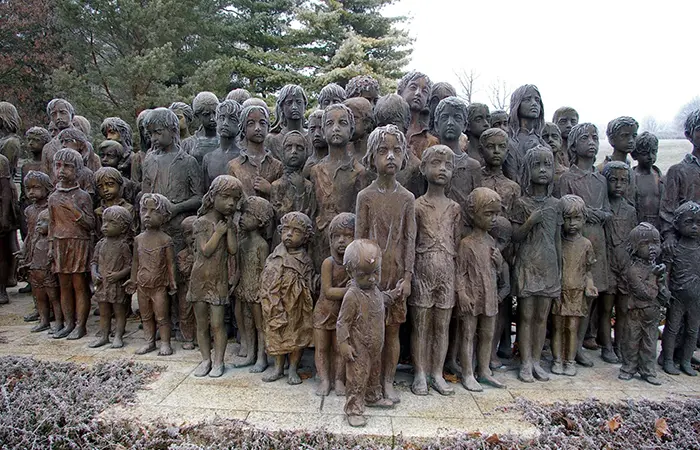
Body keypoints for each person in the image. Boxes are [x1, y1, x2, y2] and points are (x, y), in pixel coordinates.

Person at [355, 124, 416, 403]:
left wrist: (407, 277)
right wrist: (360, 277)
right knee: (371, 333)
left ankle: (388, 381)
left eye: (396, 150)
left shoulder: (407, 198)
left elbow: (409, 239)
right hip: (371, 278)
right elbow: (358, 240)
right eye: (383, 151)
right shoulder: (365, 197)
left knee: (392, 332)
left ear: (403, 156)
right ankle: (370, 382)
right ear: (372, 157)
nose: (390, 156)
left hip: (396, 275)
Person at [557, 123, 611, 368]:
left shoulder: (601, 180)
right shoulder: (567, 178)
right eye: (586, 138)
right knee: (569, 299)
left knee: (588, 298)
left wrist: (600, 214)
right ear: (574, 145)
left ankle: (578, 346)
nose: (592, 142)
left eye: (595, 137)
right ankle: (566, 348)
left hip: (596, 241)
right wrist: (588, 212)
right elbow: (564, 208)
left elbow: (609, 211)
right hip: (572, 242)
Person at [409, 145, 461, 396]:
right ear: (423, 168)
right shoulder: (417, 206)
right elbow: (410, 242)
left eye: (448, 165)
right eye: (436, 163)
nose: (442, 169)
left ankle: (437, 372)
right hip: (422, 269)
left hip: (447, 271)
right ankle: (420, 372)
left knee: (442, 324)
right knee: (421, 324)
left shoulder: (454, 208)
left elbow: (457, 243)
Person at [510, 146, 561, 382]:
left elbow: (558, 240)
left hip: (549, 264)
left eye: (547, 165)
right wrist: (530, 222)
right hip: (528, 262)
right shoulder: (521, 203)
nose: (542, 170)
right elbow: (516, 236)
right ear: (527, 170)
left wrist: (559, 269)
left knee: (542, 316)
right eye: (537, 165)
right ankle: (525, 361)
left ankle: (537, 360)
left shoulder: (556, 204)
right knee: (526, 315)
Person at [337, 239, 399, 427]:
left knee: (374, 373)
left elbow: (383, 300)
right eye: (364, 275)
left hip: (375, 345)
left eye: (375, 273)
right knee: (357, 377)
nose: (372, 278)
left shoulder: (374, 288)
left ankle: (373, 396)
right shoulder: (352, 295)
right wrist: (344, 344)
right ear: (351, 272)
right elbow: (342, 322)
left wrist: (395, 293)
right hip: (359, 347)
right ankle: (353, 408)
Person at [189, 176, 242, 378]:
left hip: (218, 280)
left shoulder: (229, 225)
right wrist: (218, 232)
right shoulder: (202, 223)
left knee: (218, 324)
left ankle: (219, 361)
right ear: (213, 196)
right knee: (202, 324)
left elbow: (233, 250)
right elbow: (206, 250)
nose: (231, 203)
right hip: (200, 278)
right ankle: (205, 359)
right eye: (226, 197)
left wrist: (228, 230)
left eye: (235, 199)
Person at [456, 187, 507, 391]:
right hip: (472, 295)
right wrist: (462, 293)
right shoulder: (466, 244)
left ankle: (484, 370)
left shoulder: (491, 241)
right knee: (468, 334)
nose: (493, 219)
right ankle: (468, 372)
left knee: (487, 334)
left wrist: (500, 261)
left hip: (489, 294)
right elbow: (459, 273)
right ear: (473, 214)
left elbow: (498, 271)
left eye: (496, 214)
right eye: (488, 214)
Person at [259, 212, 315, 385]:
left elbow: (310, 281)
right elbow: (267, 280)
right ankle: (277, 367)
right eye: (286, 230)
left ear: (305, 237)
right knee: (277, 335)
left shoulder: (305, 259)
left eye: (296, 231)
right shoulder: (275, 256)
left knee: (297, 336)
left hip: (297, 307)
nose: (290, 234)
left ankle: (292, 368)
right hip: (277, 304)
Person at [48, 149, 95, 339]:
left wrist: (75, 211)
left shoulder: (83, 196)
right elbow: (52, 225)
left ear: (77, 170)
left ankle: (80, 325)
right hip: (60, 244)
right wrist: (51, 247)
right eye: (58, 166)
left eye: (67, 167)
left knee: (79, 285)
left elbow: (91, 224)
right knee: (64, 285)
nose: (62, 170)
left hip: (78, 243)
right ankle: (68, 323)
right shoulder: (53, 197)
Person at [124, 193, 177, 356]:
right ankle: (149, 342)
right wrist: (133, 280)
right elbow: (135, 262)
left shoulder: (165, 240)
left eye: (153, 211)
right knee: (145, 315)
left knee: (162, 316)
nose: (147, 215)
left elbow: (170, 263)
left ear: (164, 216)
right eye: (144, 211)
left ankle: (165, 343)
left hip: (159, 286)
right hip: (142, 286)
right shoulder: (139, 239)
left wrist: (172, 281)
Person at [552, 195, 597, 376]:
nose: (572, 223)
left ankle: (570, 360)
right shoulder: (558, 243)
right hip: (559, 291)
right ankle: (556, 359)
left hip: (576, 292)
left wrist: (590, 284)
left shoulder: (586, 244)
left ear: (584, 219)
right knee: (557, 327)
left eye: (577, 218)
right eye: (567, 218)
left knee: (572, 327)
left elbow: (588, 270)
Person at [619, 222, 669, 385]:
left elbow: (664, 295)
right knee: (631, 341)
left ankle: (648, 370)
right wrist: (652, 277)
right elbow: (643, 293)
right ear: (634, 247)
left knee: (650, 342)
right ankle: (628, 367)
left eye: (655, 243)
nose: (652, 248)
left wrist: (661, 282)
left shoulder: (657, 269)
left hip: (652, 313)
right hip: (636, 312)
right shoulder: (633, 270)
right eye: (645, 244)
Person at [600, 162, 638, 363]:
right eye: (613, 180)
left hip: (624, 265)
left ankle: (620, 345)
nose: (618, 185)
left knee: (622, 309)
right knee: (606, 308)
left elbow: (634, 241)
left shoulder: (630, 211)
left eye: (624, 181)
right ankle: (606, 347)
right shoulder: (602, 207)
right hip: (607, 264)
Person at [314, 212, 355, 396]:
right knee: (322, 348)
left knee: (340, 349)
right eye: (337, 236)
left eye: (347, 236)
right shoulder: (328, 263)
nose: (341, 241)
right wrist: (351, 291)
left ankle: (339, 380)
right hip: (324, 313)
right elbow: (328, 292)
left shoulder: (354, 265)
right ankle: (324, 380)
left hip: (342, 316)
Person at [233, 196, 274, 373]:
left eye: (248, 215)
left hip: (256, 290)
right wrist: (234, 284)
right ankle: (250, 353)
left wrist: (262, 291)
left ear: (259, 221)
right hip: (244, 288)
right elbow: (239, 268)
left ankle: (261, 357)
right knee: (247, 323)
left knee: (260, 325)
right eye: (242, 214)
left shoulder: (261, 245)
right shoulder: (242, 243)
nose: (242, 218)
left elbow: (265, 270)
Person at [661, 201, 700, 376]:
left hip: (696, 298)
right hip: (677, 296)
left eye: (698, 223)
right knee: (672, 328)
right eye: (689, 222)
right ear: (676, 224)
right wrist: (665, 290)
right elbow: (665, 273)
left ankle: (685, 360)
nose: (694, 227)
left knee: (692, 330)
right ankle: (668, 359)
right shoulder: (673, 248)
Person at [89, 205, 132, 348]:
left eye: (112, 223)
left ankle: (118, 335)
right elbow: (94, 262)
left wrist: (119, 275)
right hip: (102, 285)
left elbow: (130, 266)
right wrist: (94, 273)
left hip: (117, 285)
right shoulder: (100, 244)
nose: (106, 226)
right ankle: (104, 336)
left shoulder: (123, 246)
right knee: (104, 313)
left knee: (119, 312)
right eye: (104, 222)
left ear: (123, 228)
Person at [660, 109, 700, 250]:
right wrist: (669, 235)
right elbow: (667, 209)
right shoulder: (677, 171)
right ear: (689, 135)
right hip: (687, 243)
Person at [18, 209, 61, 333]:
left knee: (54, 299)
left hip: (48, 275)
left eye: (44, 222)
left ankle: (58, 322)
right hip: (36, 274)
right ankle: (44, 321)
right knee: (40, 299)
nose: (38, 225)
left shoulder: (53, 243)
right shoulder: (36, 240)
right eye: (38, 222)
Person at [228, 104, 283, 199]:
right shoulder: (234, 166)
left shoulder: (278, 166)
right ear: (243, 129)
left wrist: (271, 190)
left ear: (268, 127)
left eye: (262, 123)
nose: (257, 128)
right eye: (251, 123)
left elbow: (285, 201)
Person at [203, 100, 243, 189]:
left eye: (232, 119)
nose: (225, 123)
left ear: (240, 125)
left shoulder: (243, 157)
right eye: (222, 117)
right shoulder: (208, 158)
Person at [267, 84, 308, 161]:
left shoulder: (312, 137)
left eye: (298, 102)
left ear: (305, 105)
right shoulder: (272, 140)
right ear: (282, 106)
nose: (294, 107)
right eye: (289, 103)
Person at [631, 131, 663, 229]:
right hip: (638, 226)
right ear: (634, 155)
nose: (650, 157)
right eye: (645, 153)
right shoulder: (632, 177)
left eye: (653, 152)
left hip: (658, 226)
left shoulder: (660, 177)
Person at [190, 92, 220, 165]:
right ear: (197, 116)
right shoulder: (189, 144)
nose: (212, 118)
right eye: (206, 115)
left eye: (215, 113)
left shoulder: (225, 141)